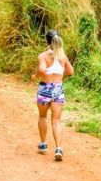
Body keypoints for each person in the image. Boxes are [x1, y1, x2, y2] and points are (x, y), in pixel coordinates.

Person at [31, 29, 74, 161]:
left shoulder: (43, 56)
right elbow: (70, 72)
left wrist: (35, 76)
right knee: (56, 121)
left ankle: (43, 144)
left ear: (47, 40)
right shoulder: (63, 56)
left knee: (42, 116)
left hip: (45, 88)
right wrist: (59, 70)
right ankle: (58, 148)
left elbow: (42, 70)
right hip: (58, 89)